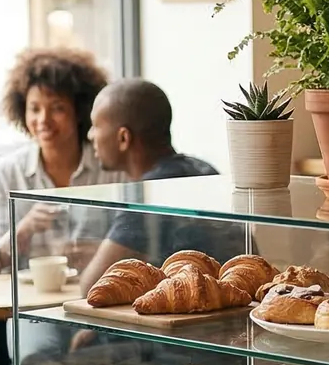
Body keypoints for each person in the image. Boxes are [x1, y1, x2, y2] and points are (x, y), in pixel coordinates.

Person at [78, 79, 238, 289]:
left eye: (96, 126)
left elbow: (91, 287)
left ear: (123, 138)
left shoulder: (147, 194)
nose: (90, 135)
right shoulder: (204, 170)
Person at [0, 47, 125, 273]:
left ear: (79, 111)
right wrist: (23, 231)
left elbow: (140, 248)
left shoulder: (112, 170)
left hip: (95, 297)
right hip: (25, 303)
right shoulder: (5, 174)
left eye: (57, 108)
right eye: (34, 109)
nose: (43, 120)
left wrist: (102, 254)